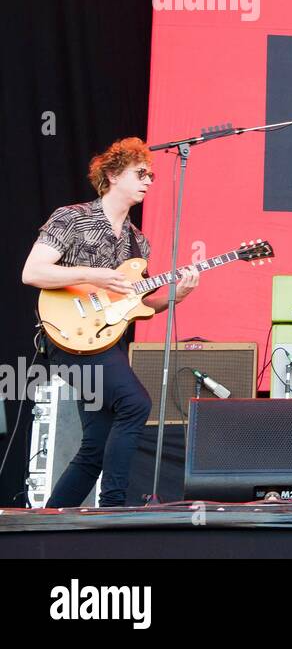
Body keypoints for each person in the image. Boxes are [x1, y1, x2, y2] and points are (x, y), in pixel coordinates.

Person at [21, 137, 200, 507]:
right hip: (67, 337)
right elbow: (33, 272)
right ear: (113, 175)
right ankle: (113, 504)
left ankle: (49, 521)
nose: (149, 180)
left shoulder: (138, 243)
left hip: (105, 340)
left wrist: (175, 296)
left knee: (96, 444)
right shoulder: (71, 217)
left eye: (151, 175)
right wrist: (97, 276)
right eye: (141, 173)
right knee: (135, 404)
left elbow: (139, 302)